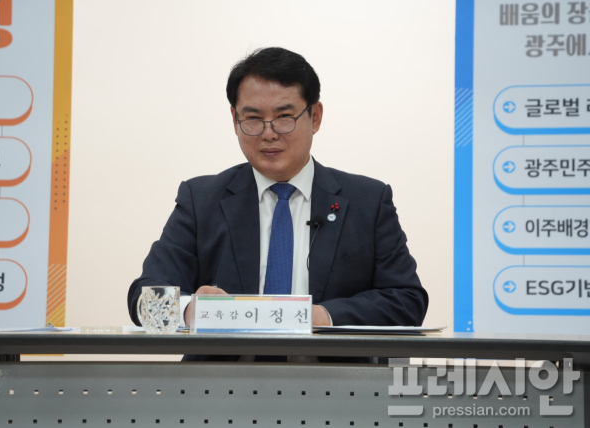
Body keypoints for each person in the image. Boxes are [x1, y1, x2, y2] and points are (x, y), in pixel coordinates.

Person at [128, 47, 428, 360]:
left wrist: (323, 318)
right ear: (235, 120)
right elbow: (144, 299)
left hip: (336, 384)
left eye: (284, 117)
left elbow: (408, 302)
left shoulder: (368, 201)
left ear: (315, 117)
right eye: (253, 119)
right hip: (222, 385)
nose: (269, 134)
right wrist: (191, 310)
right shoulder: (201, 199)